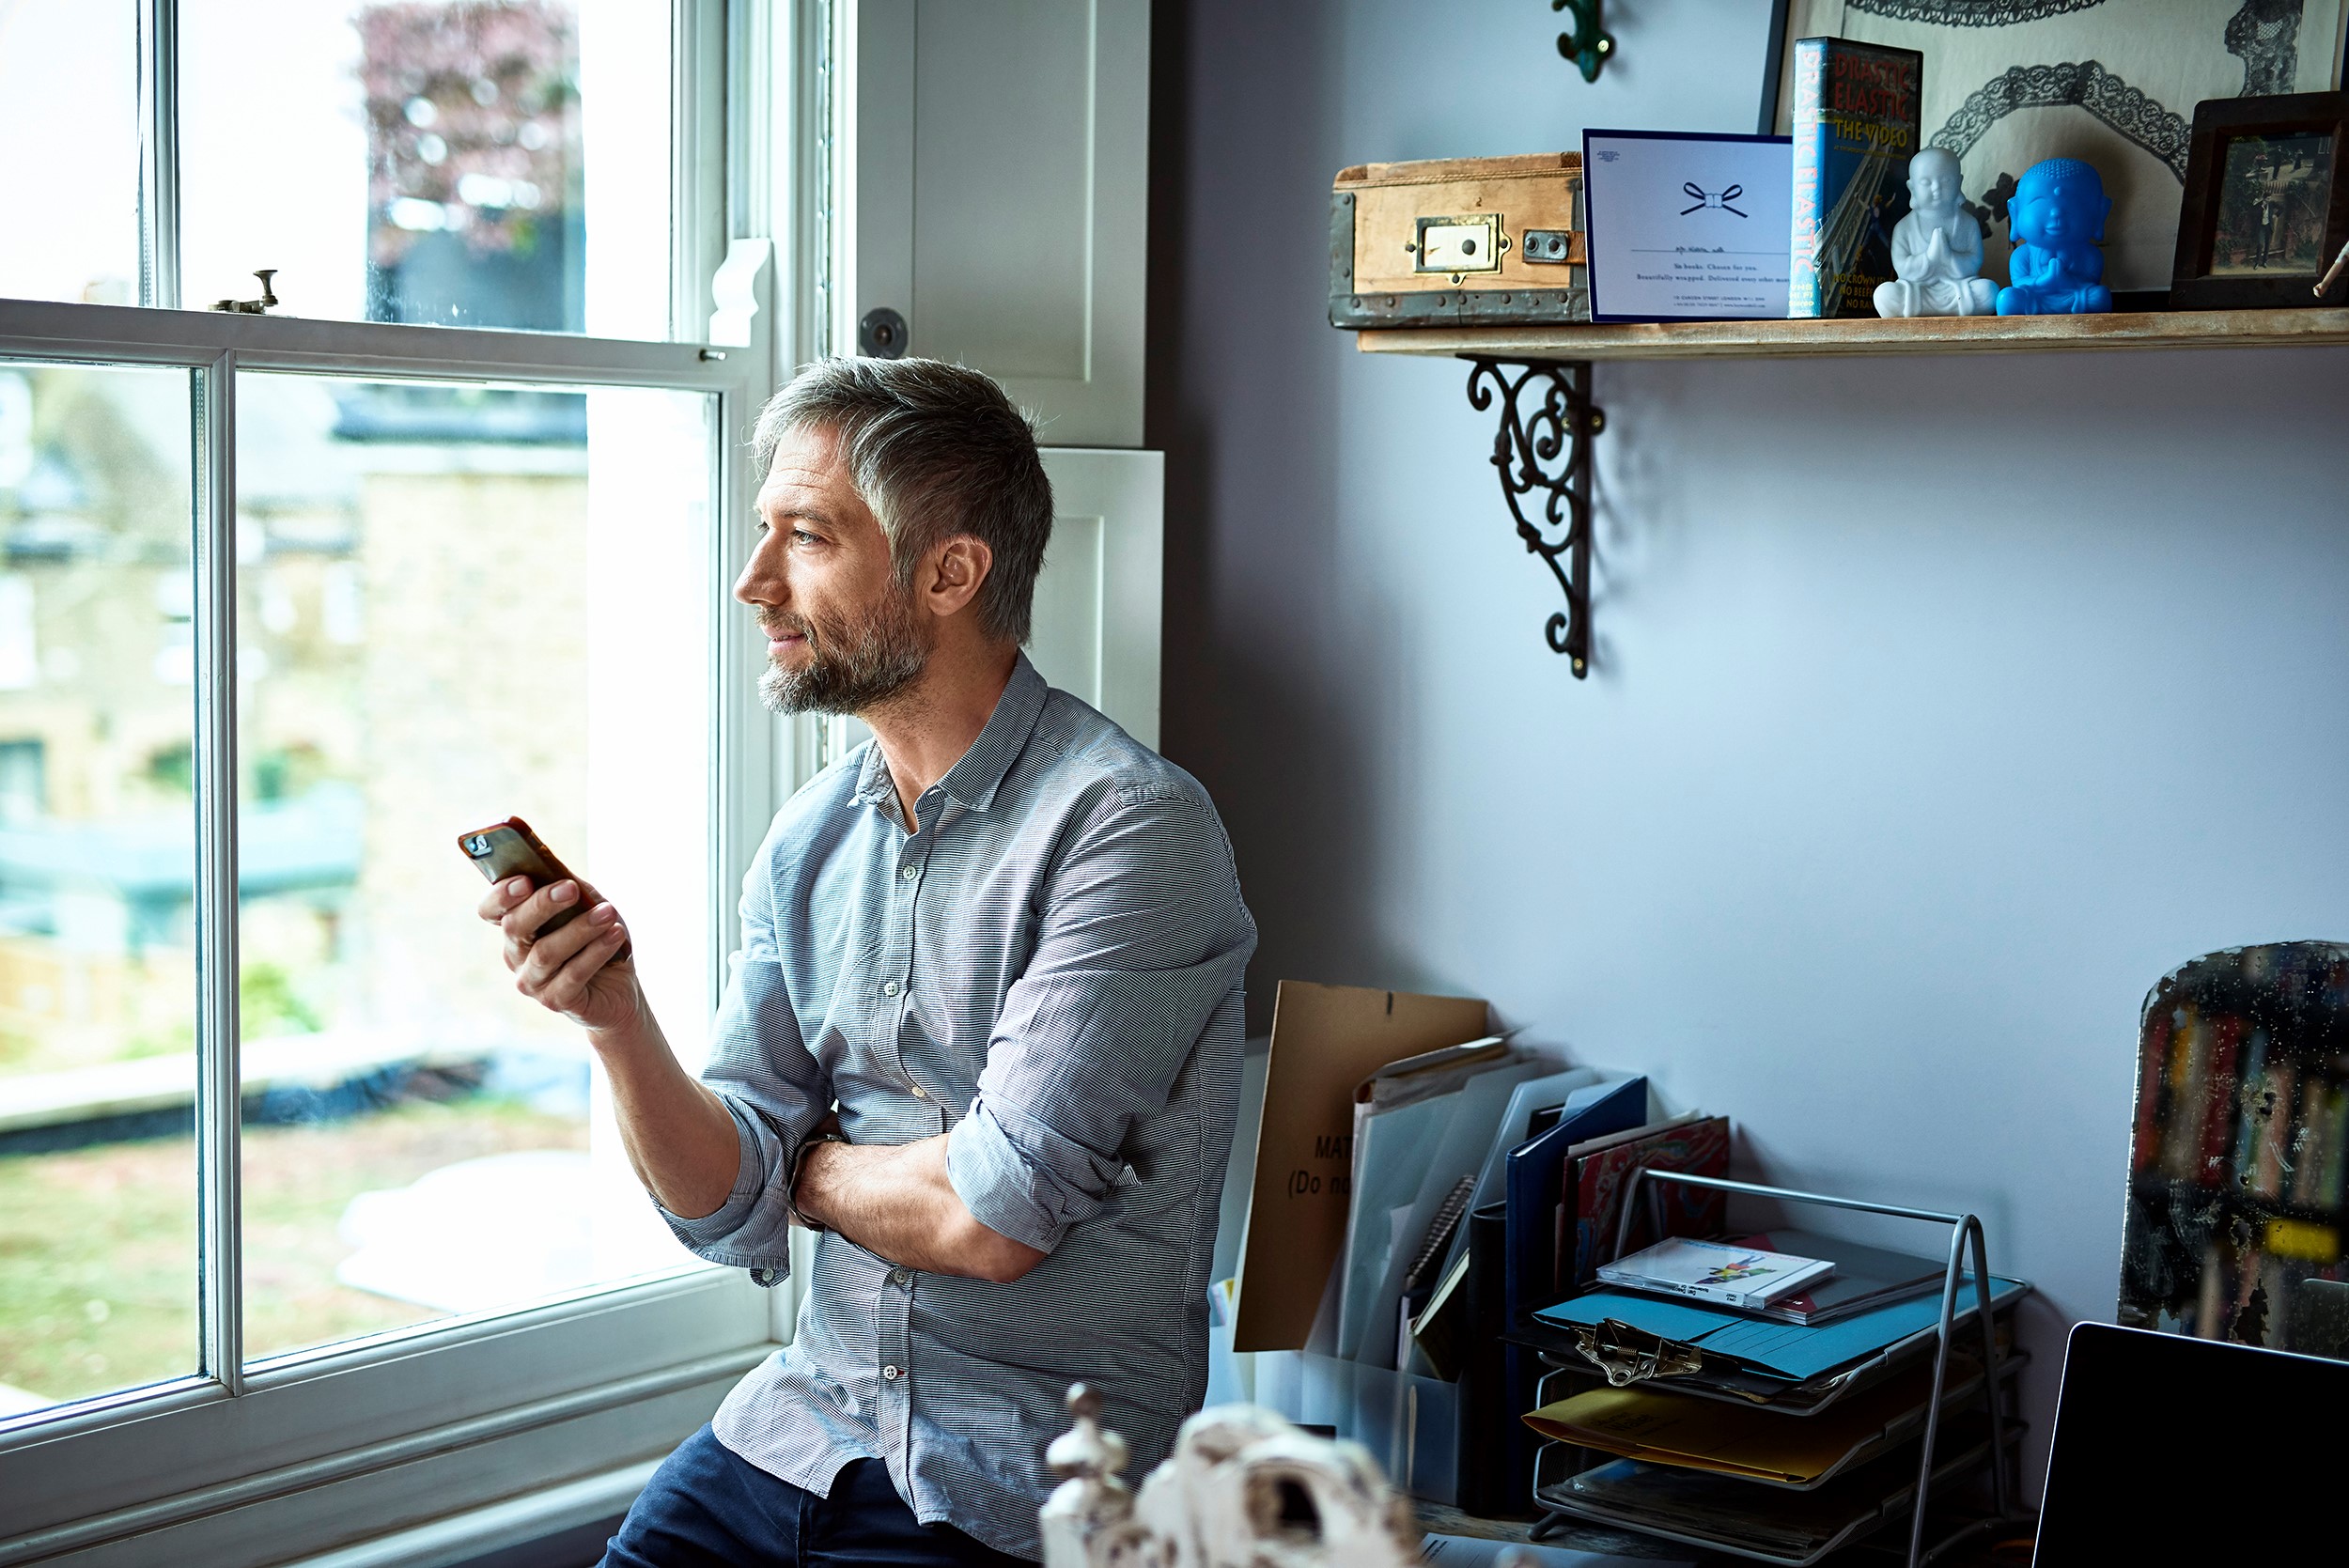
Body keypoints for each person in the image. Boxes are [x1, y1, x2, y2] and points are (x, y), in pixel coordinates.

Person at [477, 357, 1257, 1565]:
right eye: (763, 534)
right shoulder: (811, 837)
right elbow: (724, 1210)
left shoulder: (1130, 828)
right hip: (796, 1428)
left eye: (808, 537)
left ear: (950, 571)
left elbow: (995, 1215)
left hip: (1022, 1479)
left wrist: (802, 1165)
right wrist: (615, 1018)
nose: (755, 581)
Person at [1871, 147, 1996, 318]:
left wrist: (1949, 256)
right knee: (1884, 294)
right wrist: (1929, 257)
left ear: (1959, 183)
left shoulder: (1968, 223)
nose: (1936, 188)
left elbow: (1975, 262)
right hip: (1917, 291)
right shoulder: (1905, 227)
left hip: (1957, 290)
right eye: (1926, 183)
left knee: (1989, 291)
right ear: (1912, 188)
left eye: (1945, 181)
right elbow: (1902, 267)